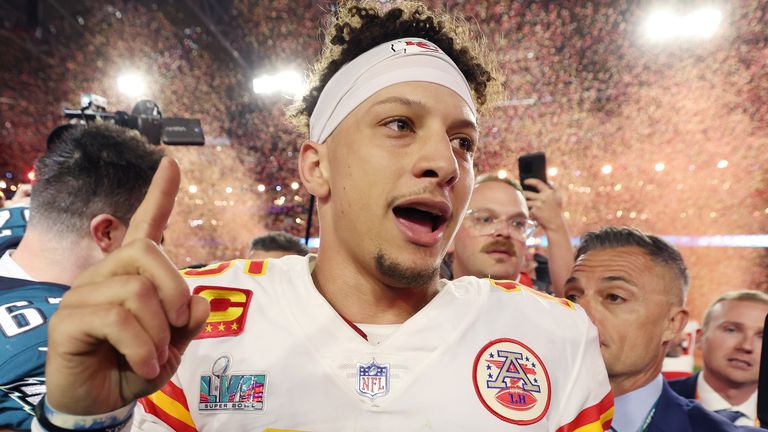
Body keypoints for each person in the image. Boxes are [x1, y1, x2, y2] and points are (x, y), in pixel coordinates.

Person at [36, 2, 613, 431]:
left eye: (463, 141)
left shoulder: (555, 339)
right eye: (399, 125)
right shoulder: (194, 321)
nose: (445, 163)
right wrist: (82, 418)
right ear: (317, 167)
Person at [0, 124, 163, 430]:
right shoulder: (55, 348)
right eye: (158, 238)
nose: (159, 252)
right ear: (106, 232)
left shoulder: (14, 221)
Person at [563, 226, 761, 431]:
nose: (580, 313)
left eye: (614, 297)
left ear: (673, 323)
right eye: (572, 296)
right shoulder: (531, 417)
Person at [449, 174, 573, 294]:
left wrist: (556, 225)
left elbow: (571, 305)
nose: (504, 232)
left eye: (518, 223)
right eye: (485, 219)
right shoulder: (431, 307)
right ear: (449, 232)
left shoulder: (547, 310)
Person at [669, 290, 768, 427]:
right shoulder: (654, 398)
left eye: (762, 336)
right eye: (731, 330)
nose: (746, 346)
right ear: (699, 338)